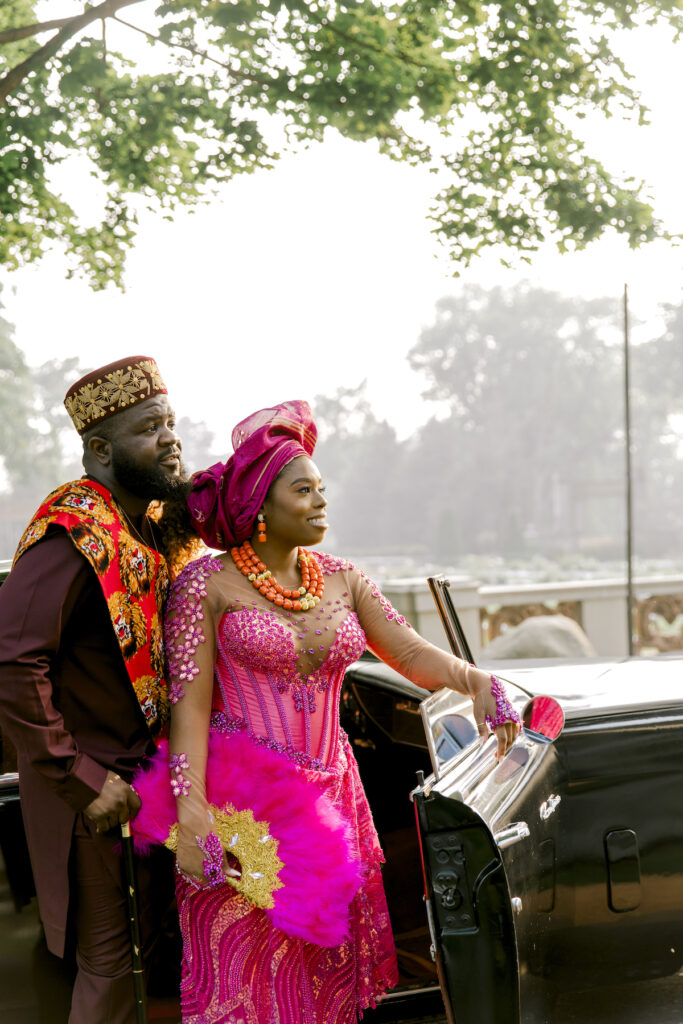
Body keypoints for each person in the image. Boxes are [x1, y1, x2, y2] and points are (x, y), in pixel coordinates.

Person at [132, 399, 521, 1024]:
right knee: (252, 985)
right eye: (303, 489)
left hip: (335, 801)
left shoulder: (342, 579)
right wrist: (191, 811)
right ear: (260, 503)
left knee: (329, 984)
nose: (320, 501)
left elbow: (409, 652)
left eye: (322, 489)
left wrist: (474, 679)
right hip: (243, 813)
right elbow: (188, 710)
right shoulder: (206, 586)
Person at [0, 355, 190, 1024]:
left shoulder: (155, 526)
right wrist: (82, 778)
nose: (169, 438)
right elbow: (12, 664)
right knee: (110, 975)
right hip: (94, 798)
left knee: (164, 966)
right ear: (100, 449)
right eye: (149, 428)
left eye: (171, 423)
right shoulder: (71, 534)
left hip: (154, 783)